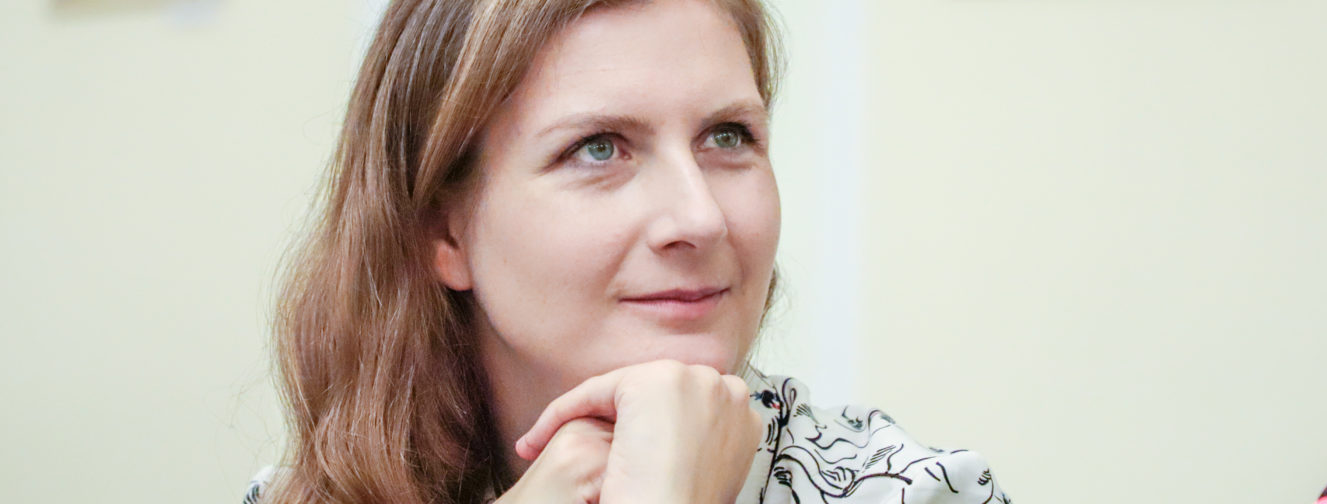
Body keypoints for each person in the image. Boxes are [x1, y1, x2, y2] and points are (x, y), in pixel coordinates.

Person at [245, 0, 1012, 503]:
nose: (700, 217)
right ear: (443, 234)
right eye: (599, 148)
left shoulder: (917, 493)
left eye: (728, 137)